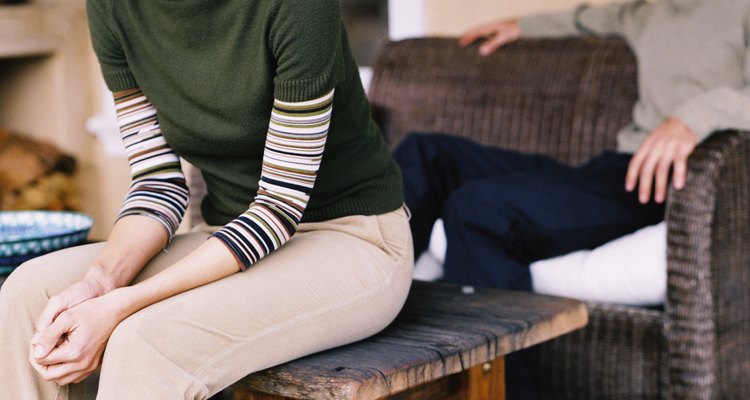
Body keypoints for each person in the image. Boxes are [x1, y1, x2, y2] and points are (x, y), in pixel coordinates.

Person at [0, 1, 412, 399]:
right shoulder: (113, 7)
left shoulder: (297, 7)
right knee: (27, 296)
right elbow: (156, 181)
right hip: (227, 233)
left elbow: (278, 207)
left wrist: (121, 304)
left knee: (148, 344)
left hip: (350, 238)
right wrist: (99, 281)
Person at [392, 0, 750, 398]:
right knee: (426, 154)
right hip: (608, 170)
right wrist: (520, 27)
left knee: (480, 209)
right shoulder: (646, 9)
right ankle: (371, 302)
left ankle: (493, 392)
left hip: (662, 183)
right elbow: (583, 18)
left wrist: (692, 119)